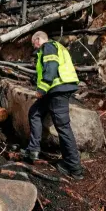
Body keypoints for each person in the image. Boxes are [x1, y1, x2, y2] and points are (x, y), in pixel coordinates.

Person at [22, 31, 84, 180]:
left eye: (33, 44)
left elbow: (51, 67)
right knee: (35, 112)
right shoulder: (57, 47)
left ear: (38, 39)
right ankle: (33, 150)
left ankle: (74, 167)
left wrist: (42, 89)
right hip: (55, 89)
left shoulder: (48, 46)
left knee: (63, 127)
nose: (34, 47)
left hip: (58, 89)